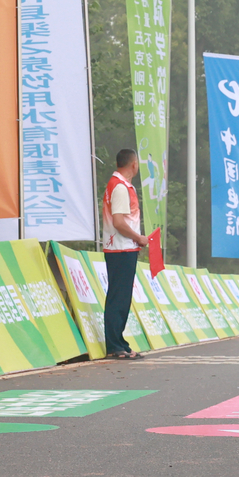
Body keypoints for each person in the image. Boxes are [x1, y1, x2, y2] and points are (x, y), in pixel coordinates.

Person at [101, 148, 149, 359]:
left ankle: (119, 343)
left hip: (123, 248)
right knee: (118, 298)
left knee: (121, 298)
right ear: (133, 164)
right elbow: (119, 222)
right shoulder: (120, 187)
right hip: (121, 248)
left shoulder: (120, 185)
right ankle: (115, 346)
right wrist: (138, 237)